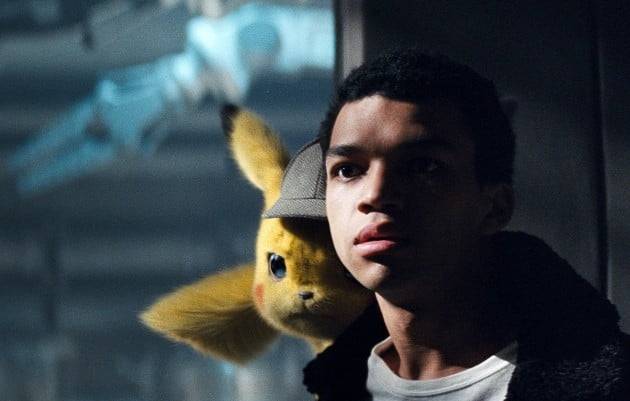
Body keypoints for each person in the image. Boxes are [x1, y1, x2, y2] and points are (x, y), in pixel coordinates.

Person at [264, 48, 630, 400]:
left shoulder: (609, 384)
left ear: (494, 207)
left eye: (423, 166)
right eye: (348, 170)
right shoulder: (338, 383)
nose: (375, 194)